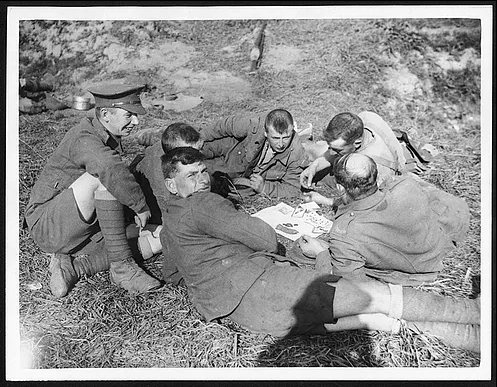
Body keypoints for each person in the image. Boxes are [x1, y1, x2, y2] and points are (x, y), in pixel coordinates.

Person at [159, 146, 480, 352]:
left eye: (203, 172)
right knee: (375, 296)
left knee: (379, 319)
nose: (202, 181)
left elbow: (172, 273)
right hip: (260, 287)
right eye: (191, 175)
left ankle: (472, 338)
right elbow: (265, 239)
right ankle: (472, 314)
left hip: (249, 316)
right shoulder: (203, 203)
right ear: (172, 185)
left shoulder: (170, 219)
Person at [24, 83, 162, 298]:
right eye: (129, 116)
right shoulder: (84, 138)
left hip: (81, 227)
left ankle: (75, 266)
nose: (136, 122)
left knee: (160, 234)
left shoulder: (103, 133)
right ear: (105, 115)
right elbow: (109, 169)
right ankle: (122, 268)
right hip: (48, 226)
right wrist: (140, 206)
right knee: (101, 178)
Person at [299, 153, 470, 285]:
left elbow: (350, 287)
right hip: (438, 240)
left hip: (422, 267)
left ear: (340, 187)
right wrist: (326, 201)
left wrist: (320, 253)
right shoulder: (404, 184)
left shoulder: (345, 234)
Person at [300, 111, 432, 191]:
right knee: (316, 153)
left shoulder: (372, 166)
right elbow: (332, 152)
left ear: (357, 143)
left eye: (337, 149)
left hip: (387, 172)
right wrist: (316, 165)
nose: (332, 153)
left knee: (335, 180)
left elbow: (364, 202)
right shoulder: (365, 117)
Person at [200, 108, 310, 199]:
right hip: (227, 149)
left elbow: (293, 189)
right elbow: (225, 125)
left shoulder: (296, 154)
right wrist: (200, 138)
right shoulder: (254, 125)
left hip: (237, 177)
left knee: (209, 182)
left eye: (286, 137)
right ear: (266, 133)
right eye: (275, 138)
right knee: (193, 156)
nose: (281, 144)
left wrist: (264, 188)